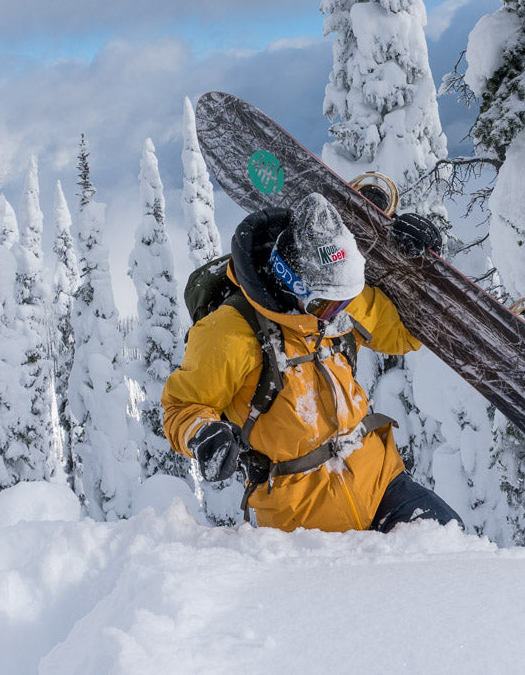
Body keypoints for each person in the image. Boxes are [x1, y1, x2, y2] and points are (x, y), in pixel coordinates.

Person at [162, 192, 462, 533]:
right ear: (292, 285)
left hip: (380, 481)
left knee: (454, 549)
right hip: (302, 521)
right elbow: (181, 406)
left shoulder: (333, 294)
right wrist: (203, 433)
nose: (337, 315)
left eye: (345, 302)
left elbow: (403, 333)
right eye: (326, 307)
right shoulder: (228, 334)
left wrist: (418, 267)